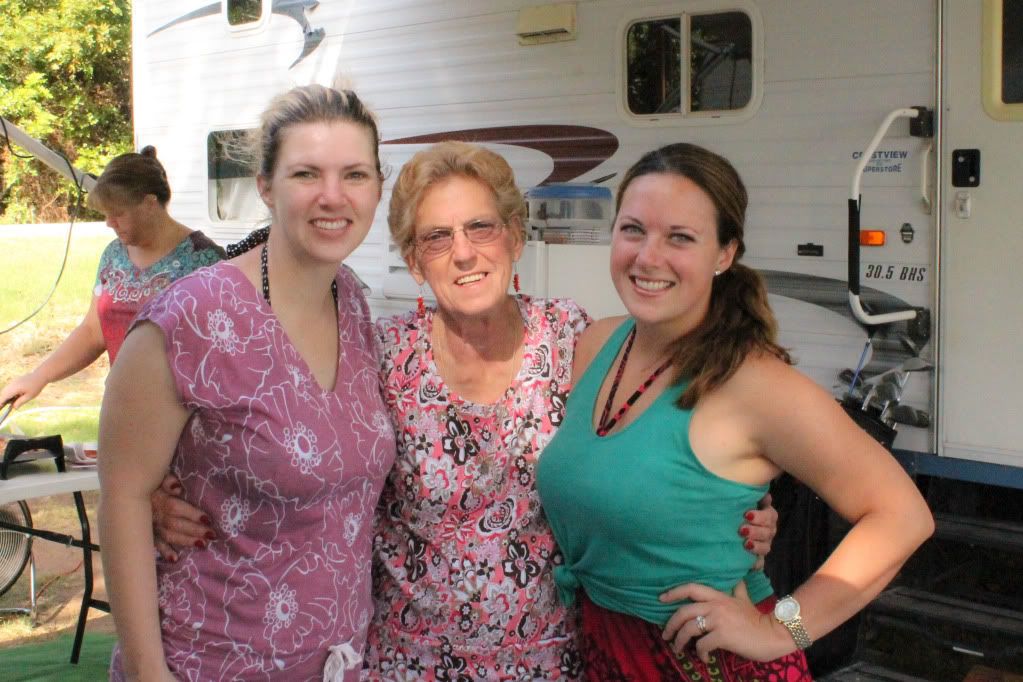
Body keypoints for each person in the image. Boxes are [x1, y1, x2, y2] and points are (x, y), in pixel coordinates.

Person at [150, 141, 779, 680]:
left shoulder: (573, 338)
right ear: (414, 260)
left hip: (551, 660)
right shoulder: (376, 352)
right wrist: (161, 492)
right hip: (407, 662)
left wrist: (739, 510)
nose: (464, 253)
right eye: (437, 237)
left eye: (481, 227)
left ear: (514, 236)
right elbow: (286, 450)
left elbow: (663, 452)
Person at [535, 142, 935, 680]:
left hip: (708, 663)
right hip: (607, 652)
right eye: (633, 230)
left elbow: (902, 517)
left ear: (725, 254)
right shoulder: (597, 345)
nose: (648, 256)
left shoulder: (755, 385)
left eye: (680, 237)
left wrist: (780, 630)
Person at [98, 84, 397, 681]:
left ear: (377, 188)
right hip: (209, 662)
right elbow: (124, 498)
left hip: (339, 662)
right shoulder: (191, 317)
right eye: (306, 173)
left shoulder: (354, 303)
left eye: (355, 175)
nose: (333, 196)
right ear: (265, 186)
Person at [0, 147, 224, 409]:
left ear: (149, 203)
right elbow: (92, 331)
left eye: (118, 213)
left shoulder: (205, 260)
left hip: (185, 413)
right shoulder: (113, 255)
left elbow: (223, 352)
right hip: (122, 406)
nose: (109, 222)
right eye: (106, 214)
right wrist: (39, 376)